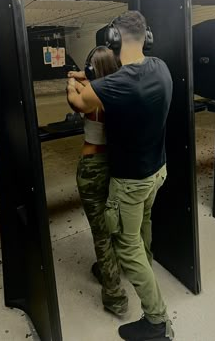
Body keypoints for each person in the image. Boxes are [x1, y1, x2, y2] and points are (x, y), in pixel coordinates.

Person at [67, 11, 174, 341]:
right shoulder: (161, 68)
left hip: (131, 181)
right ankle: (147, 264)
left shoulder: (116, 84)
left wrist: (73, 80)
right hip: (158, 172)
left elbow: (78, 101)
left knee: (125, 245)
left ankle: (156, 321)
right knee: (144, 225)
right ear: (147, 37)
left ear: (113, 39)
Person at [70, 46, 129, 317]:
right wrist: (86, 76)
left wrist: (72, 80)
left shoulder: (88, 95)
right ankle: (111, 268)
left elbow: (74, 100)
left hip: (92, 168)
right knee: (113, 225)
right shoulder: (120, 91)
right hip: (115, 165)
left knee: (101, 235)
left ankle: (115, 296)